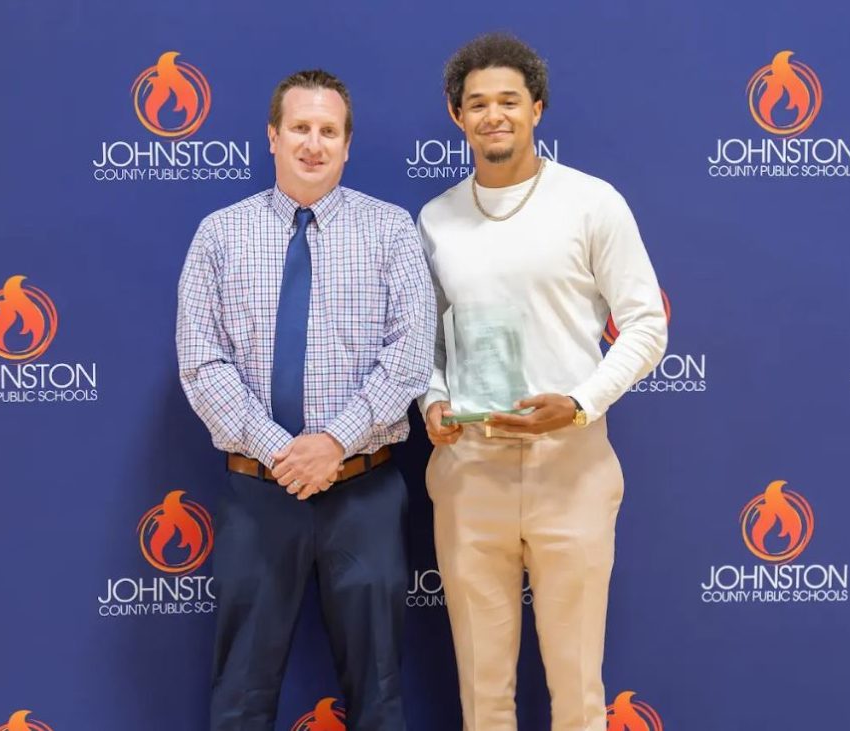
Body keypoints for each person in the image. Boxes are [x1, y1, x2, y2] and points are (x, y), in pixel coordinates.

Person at [418, 34, 668, 731]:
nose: (493, 115)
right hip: (470, 473)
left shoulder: (592, 203)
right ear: (456, 115)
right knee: (483, 696)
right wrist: (431, 398)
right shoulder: (435, 220)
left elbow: (646, 325)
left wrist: (581, 403)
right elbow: (426, 343)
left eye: (509, 101)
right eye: (477, 104)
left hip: (572, 469)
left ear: (537, 108)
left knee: (579, 693)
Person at [177, 68, 435, 731]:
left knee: (378, 694)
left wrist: (334, 443)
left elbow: (409, 358)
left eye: (328, 130)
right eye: (299, 128)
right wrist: (282, 452)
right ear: (272, 136)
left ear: (348, 144)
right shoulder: (219, 235)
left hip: (363, 494)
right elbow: (202, 363)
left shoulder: (391, 230)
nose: (313, 144)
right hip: (257, 495)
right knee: (240, 696)